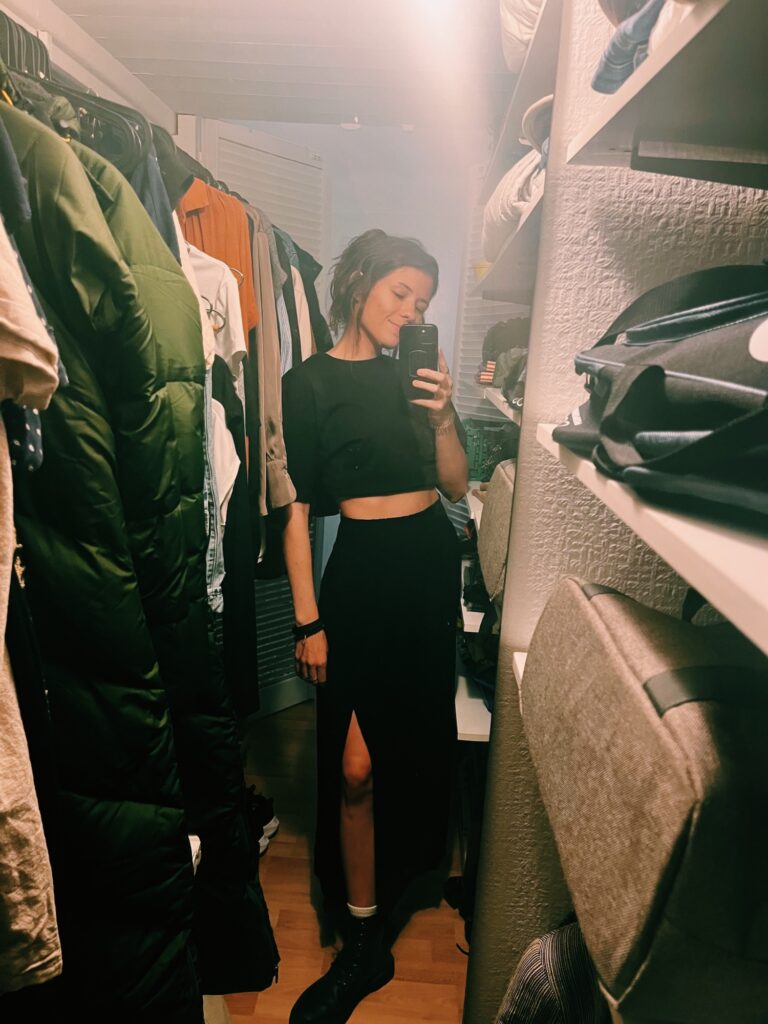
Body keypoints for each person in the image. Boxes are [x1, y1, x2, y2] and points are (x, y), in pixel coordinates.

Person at [281, 228, 469, 1024]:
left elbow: (456, 487)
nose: (411, 312)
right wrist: (308, 621)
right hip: (358, 579)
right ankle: (362, 942)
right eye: (401, 292)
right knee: (354, 765)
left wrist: (444, 415)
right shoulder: (307, 383)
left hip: (426, 569)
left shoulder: (415, 378)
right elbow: (295, 511)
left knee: (413, 745)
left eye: (423, 302)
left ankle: (393, 894)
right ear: (359, 282)